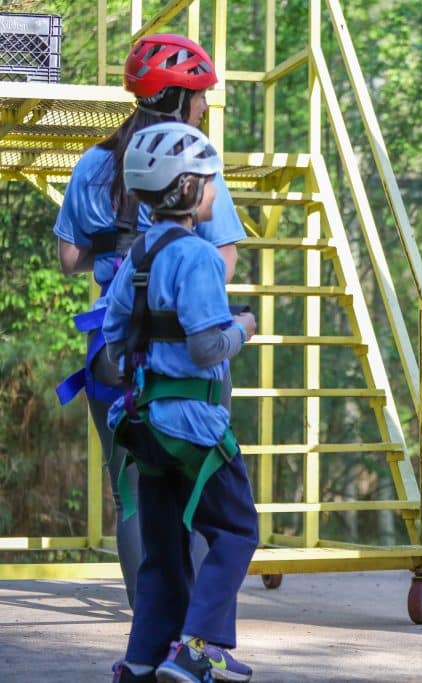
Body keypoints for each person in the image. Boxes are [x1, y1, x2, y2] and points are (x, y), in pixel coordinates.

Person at [52, 34, 243, 609]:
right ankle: (199, 628)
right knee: (202, 477)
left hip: (113, 350)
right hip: (187, 349)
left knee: (132, 491)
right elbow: (224, 255)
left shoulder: (94, 163)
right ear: (180, 98)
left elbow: (68, 260)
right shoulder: (192, 161)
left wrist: (119, 258)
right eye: (201, 95)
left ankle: (150, 624)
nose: (206, 107)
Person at [103, 122, 259, 683]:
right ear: (189, 188)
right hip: (195, 426)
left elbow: (114, 340)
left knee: (164, 547)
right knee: (237, 530)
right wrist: (244, 326)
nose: (216, 189)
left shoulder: (139, 252)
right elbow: (205, 347)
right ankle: (197, 647)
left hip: (145, 424)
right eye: (211, 180)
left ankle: (144, 657)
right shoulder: (199, 258)